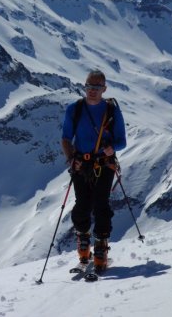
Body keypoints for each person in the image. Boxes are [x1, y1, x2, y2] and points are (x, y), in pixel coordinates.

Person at [61, 69, 127, 272]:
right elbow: (65, 138)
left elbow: (122, 141)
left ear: (104, 89)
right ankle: (84, 241)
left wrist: (111, 148)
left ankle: (100, 247)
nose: (92, 91)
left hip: (104, 163)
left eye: (96, 87)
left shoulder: (112, 111)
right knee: (82, 205)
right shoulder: (75, 109)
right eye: (89, 86)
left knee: (100, 205)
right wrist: (71, 159)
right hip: (81, 164)